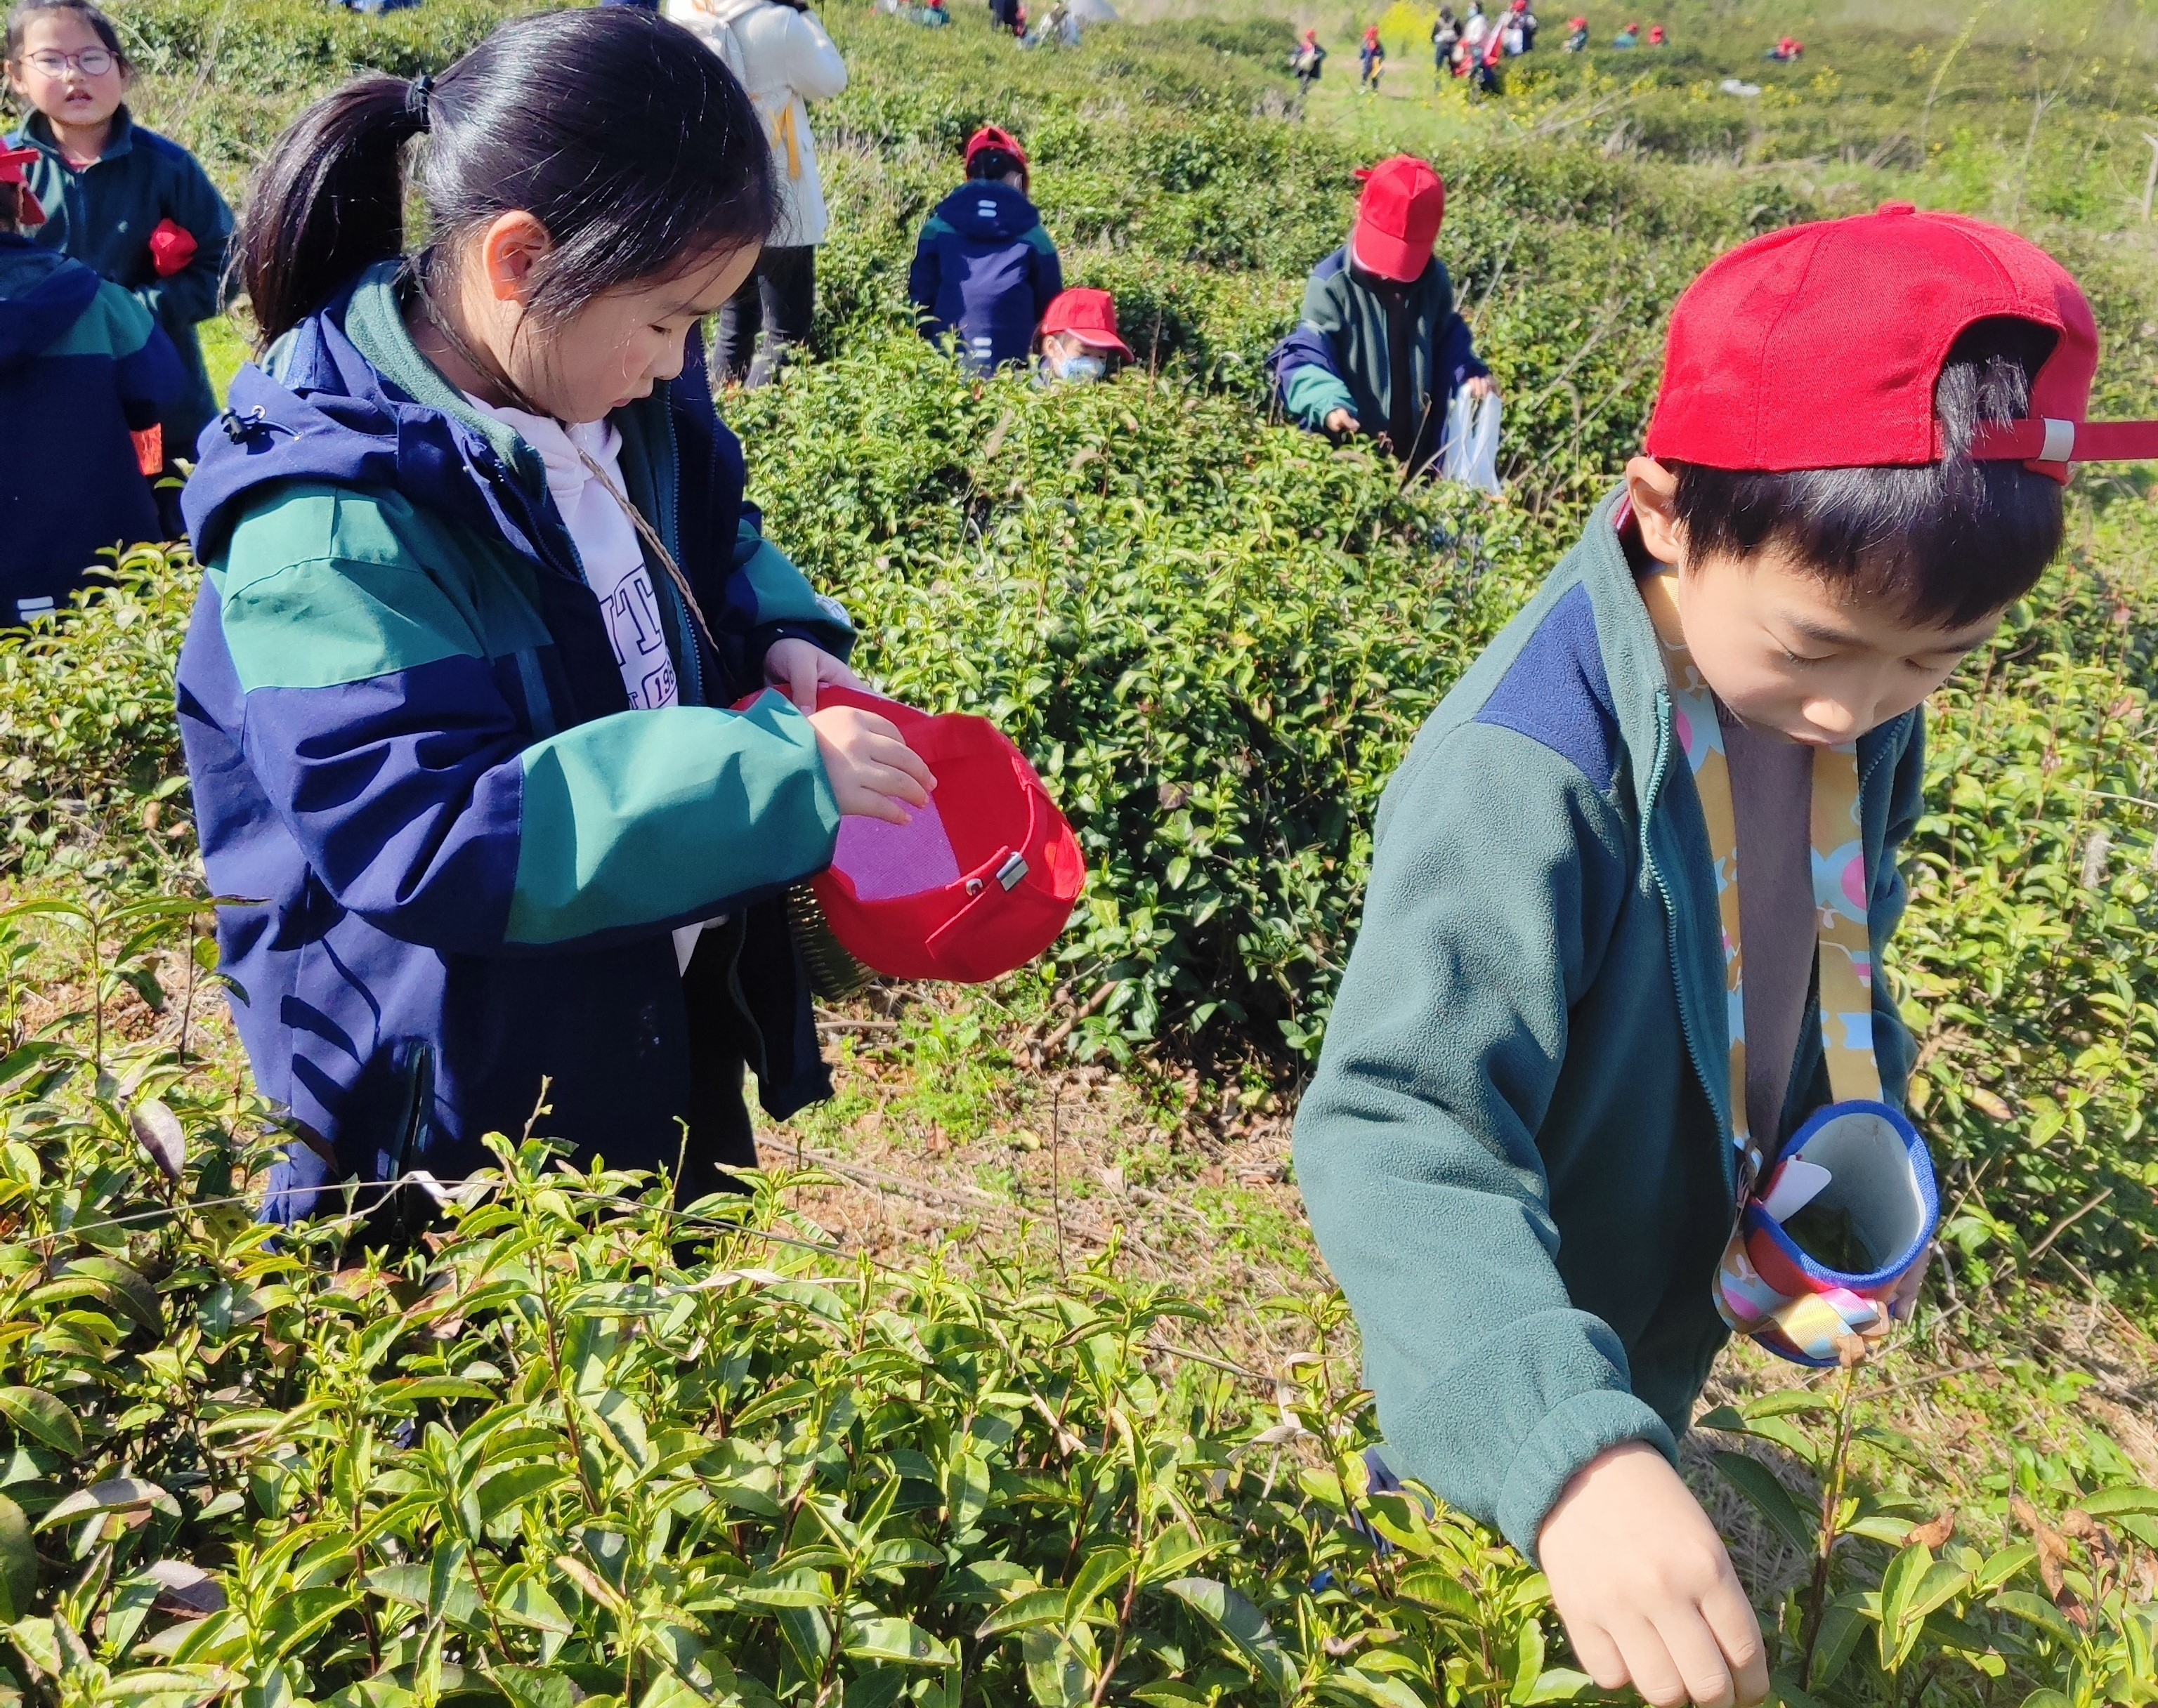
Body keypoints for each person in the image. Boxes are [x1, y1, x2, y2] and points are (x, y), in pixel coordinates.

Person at [1293, 205, 2126, 1708]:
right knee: (1440, 1601)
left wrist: (1851, 1130)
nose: (1858, 710)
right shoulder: (1532, 767)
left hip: (1678, 1250)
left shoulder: (1852, 708)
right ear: (1669, 509)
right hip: (1508, 1306)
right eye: (1817, 651)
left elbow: (1825, 928)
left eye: (1933, 660)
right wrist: (1570, 1454)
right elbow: (1396, 1123)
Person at [174, 8, 936, 1227]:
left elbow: (709, 543)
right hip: (455, 1100)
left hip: (639, 994)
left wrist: (777, 635)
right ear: (519, 263)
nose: (678, 361)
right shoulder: (329, 523)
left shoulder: (609, 403)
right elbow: (422, 834)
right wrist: (770, 771)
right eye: (668, 321)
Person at [4, 0, 232, 466]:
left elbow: (226, 263)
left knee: (163, 511)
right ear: (17, 76)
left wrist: (134, 310)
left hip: (158, 389)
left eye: (91, 58)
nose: (74, 76)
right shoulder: (8, 170)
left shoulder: (167, 168)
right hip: (39, 387)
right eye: (50, 60)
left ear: (122, 72)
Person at [1, 140, 181, 622]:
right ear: (19, 201)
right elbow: (158, 410)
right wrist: (159, 496)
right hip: (102, 587)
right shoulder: (103, 304)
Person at [664, 0, 846, 389]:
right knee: (785, 335)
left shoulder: (683, 10)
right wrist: (805, 13)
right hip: (782, 190)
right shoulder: (778, 22)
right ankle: (769, 422)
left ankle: (729, 414)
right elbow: (832, 80)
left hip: (721, 190)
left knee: (735, 321)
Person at [1270, 157, 1492, 474]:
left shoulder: (1434, 280)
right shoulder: (1332, 283)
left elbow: (1447, 341)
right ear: (1360, 214)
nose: (1393, 273)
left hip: (1420, 459)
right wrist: (1328, 402)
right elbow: (1304, 354)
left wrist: (1469, 372)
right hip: (1353, 462)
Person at [908, 126, 1062, 373]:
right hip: (1018, 372)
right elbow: (1053, 311)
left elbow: (919, 303)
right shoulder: (1036, 236)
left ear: (970, 174)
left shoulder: (937, 227)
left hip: (945, 368)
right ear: (1018, 179)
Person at [1037, 286, 1130, 383]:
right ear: (1052, 348)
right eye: (1084, 354)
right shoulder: (1028, 390)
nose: (1093, 368)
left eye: (1101, 357)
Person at [1291, 27, 1326, 105]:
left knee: (1307, 80)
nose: (1310, 39)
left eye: (1311, 37)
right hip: (1302, 67)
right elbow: (1296, 53)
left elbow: (1324, 54)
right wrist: (1293, 58)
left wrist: (1317, 56)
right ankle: (1302, 93)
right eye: (1309, 37)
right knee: (1304, 80)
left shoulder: (1317, 47)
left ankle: (1303, 93)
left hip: (1312, 68)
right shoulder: (1304, 46)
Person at [1430, 8, 1459, 78]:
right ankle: (1453, 79)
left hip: (1441, 45)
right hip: (1452, 45)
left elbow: (1433, 35)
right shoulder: (1455, 21)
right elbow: (1460, 33)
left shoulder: (1438, 22)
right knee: (1453, 65)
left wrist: (1434, 42)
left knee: (1438, 65)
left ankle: (1437, 82)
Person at [1358, 24, 1385, 91]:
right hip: (1367, 62)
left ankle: (1375, 89)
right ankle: (1363, 88)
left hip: (1375, 63)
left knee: (1374, 76)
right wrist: (1361, 57)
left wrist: (1379, 59)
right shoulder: (1366, 44)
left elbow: (1383, 54)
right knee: (1365, 74)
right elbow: (1363, 52)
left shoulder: (1378, 45)